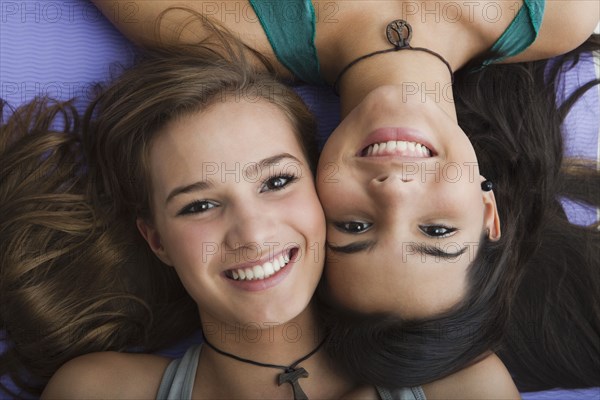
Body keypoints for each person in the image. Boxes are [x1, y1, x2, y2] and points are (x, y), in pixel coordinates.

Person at [88, 0, 600, 392]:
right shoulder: (561, 15)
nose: (395, 190)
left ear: (311, 199)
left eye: (354, 226)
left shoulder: (202, 24)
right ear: (488, 208)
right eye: (437, 231)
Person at [0, 43, 519, 398]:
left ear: (321, 192)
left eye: (276, 182)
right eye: (198, 205)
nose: (252, 233)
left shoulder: (467, 388)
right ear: (156, 240)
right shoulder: (99, 391)